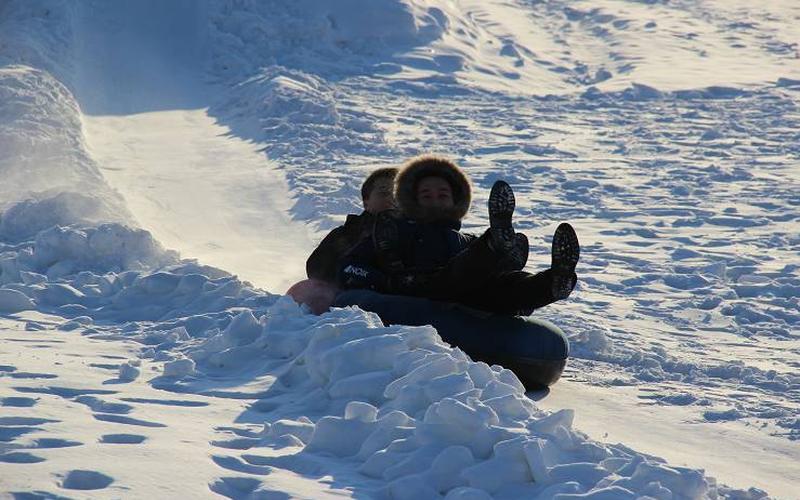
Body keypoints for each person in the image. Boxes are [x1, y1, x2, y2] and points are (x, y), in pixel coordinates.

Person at [338, 155, 580, 316]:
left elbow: (483, 279)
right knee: (462, 270)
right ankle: (496, 244)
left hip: (462, 296)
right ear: (411, 199)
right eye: (426, 195)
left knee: (504, 287)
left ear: (456, 201)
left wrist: (503, 269)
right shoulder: (393, 229)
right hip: (415, 290)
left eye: (443, 195)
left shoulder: (462, 239)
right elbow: (349, 266)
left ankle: (553, 282)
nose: (435, 199)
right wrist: (384, 281)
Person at [305, 167, 398, 284]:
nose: (392, 199)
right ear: (366, 202)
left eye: (398, 194)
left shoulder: (416, 233)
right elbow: (316, 269)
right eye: (384, 193)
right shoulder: (347, 233)